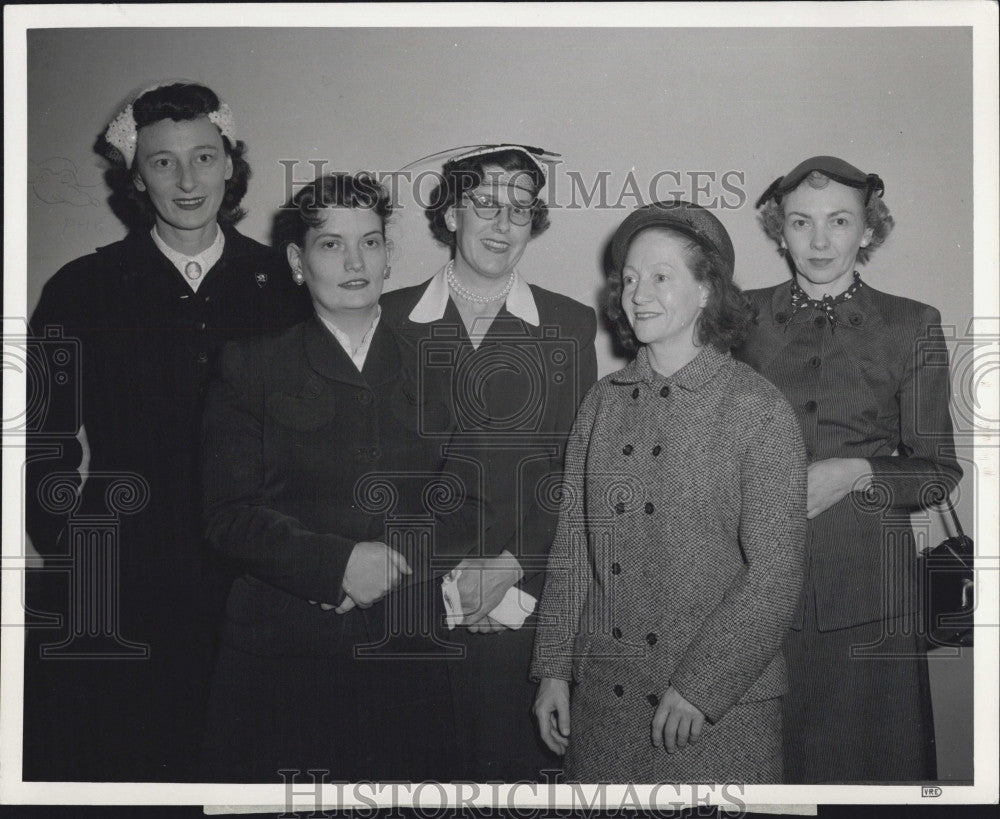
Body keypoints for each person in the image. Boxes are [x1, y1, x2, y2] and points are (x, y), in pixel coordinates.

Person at [23, 81, 310, 782]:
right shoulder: (81, 287)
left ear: (230, 165)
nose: (187, 181)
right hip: (125, 584)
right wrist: (78, 556)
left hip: (255, 579)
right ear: (135, 177)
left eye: (204, 157)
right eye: (162, 162)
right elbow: (43, 448)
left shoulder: (285, 283)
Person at [200, 172, 482, 782]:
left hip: (407, 653)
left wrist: (389, 560)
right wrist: (335, 565)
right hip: (282, 657)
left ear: (387, 256)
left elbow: (470, 500)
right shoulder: (251, 365)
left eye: (372, 242)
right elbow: (227, 515)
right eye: (332, 244)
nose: (355, 261)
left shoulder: (445, 361)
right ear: (298, 262)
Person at [531, 200, 806, 783]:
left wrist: (702, 688)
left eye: (660, 277)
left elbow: (775, 573)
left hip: (716, 714)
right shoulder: (602, 401)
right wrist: (553, 667)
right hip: (605, 706)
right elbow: (575, 548)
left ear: (707, 290)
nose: (638, 295)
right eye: (629, 279)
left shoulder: (755, 409)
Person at [737, 156, 963, 783]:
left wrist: (854, 470)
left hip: (871, 597)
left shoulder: (909, 323)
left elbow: (938, 473)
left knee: (868, 778)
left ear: (868, 230)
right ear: (779, 229)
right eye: (800, 222)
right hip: (757, 588)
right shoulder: (741, 319)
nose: (818, 241)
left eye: (838, 222)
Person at [381, 144, 598, 781]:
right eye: (485, 204)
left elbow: (573, 470)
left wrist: (513, 565)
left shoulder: (568, 324)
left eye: (521, 210)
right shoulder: (387, 319)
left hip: (520, 602)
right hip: (410, 594)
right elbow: (375, 471)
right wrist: (444, 574)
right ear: (450, 214)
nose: (503, 225)